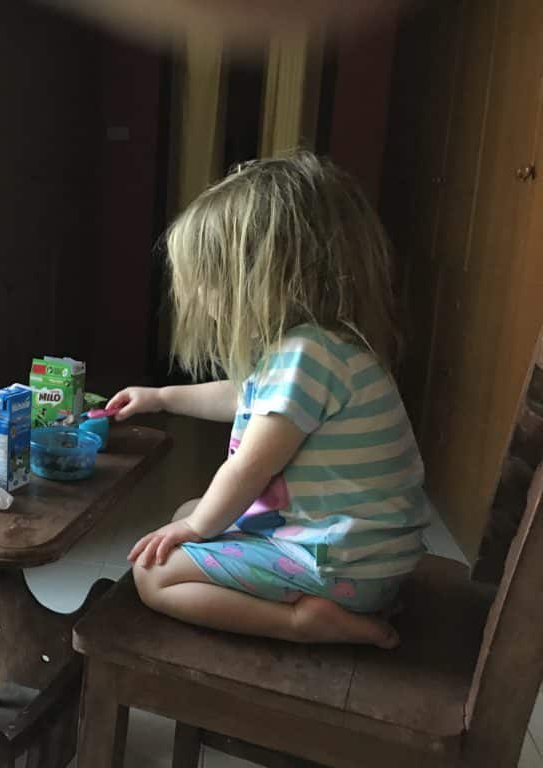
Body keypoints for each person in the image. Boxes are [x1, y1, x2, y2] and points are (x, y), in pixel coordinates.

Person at [109, 151, 429, 649]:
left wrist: (198, 528)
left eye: (209, 279)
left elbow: (248, 471)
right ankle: (315, 604)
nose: (200, 297)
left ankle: (305, 622)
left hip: (340, 566)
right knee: (188, 513)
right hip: (364, 556)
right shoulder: (317, 348)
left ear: (261, 278)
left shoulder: (305, 355)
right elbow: (243, 397)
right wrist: (160, 397)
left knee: (156, 575)